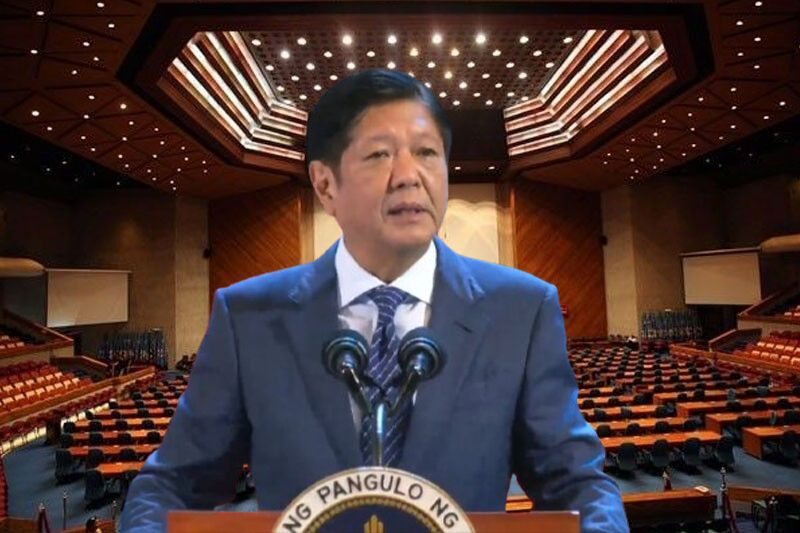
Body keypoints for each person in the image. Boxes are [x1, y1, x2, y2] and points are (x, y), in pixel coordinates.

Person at [121, 69, 627, 532]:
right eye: (380, 154)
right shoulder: (248, 316)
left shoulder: (522, 309)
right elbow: (170, 487)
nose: (409, 174)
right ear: (325, 184)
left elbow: (577, 485)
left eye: (427, 152)